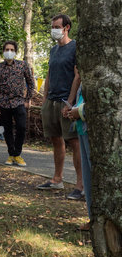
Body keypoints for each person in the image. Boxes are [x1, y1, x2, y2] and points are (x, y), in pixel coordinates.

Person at [36, 14, 84, 201]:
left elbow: (77, 76)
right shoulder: (53, 50)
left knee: (74, 142)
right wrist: (45, 100)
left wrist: (71, 102)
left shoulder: (75, 47)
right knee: (56, 140)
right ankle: (57, 179)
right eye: (52, 26)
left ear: (67, 28)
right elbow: (48, 74)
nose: (54, 29)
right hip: (52, 102)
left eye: (57, 26)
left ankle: (80, 186)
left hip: (67, 102)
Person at [0, 40, 35, 166]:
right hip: (3, 103)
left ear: (15, 52)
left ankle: (18, 154)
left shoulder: (22, 65)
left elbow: (31, 83)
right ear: (3, 51)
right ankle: (11, 154)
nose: (9, 52)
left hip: (19, 101)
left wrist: (28, 99)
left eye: (11, 50)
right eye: (7, 50)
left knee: (21, 127)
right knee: (7, 129)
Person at [67, 87, 91, 230]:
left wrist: (80, 111)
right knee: (88, 176)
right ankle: (93, 217)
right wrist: (75, 110)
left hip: (97, 132)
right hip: (83, 127)